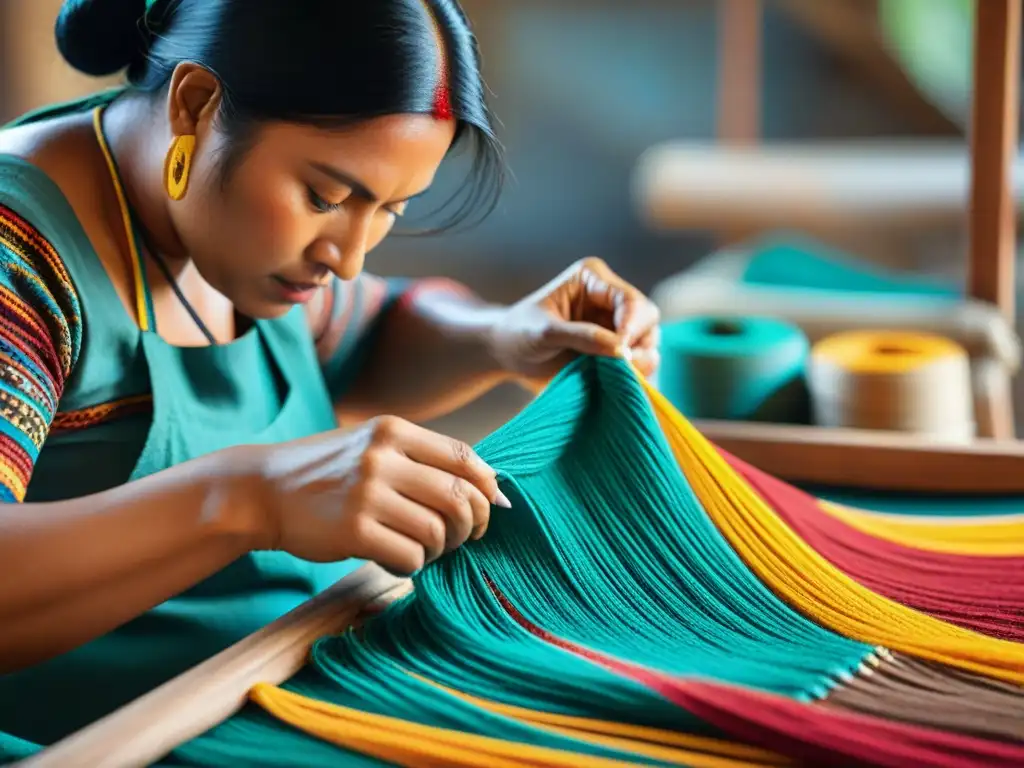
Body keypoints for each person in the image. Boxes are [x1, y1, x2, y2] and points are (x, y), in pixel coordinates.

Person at [0, 0, 661, 756]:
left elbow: (364, 333)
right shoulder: (19, 253)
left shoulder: (220, 224)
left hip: (276, 685)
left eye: (390, 210)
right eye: (326, 197)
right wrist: (251, 498)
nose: (347, 258)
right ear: (195, 105)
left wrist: (504, 338)